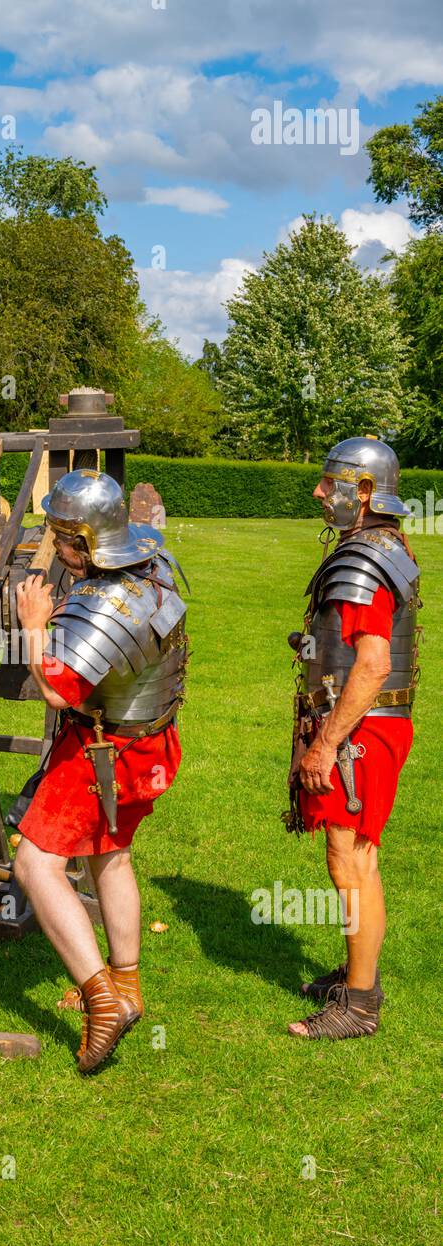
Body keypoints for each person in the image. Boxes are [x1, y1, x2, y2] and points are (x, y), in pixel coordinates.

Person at [13, 469, 188, 1074]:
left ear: (89, 541)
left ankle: (101, 998)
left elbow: (60, 691)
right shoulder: (153, 562)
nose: (58, 551)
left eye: (65, 540)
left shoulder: (107, 599)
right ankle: (130, 984)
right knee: (110, 854)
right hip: (151, 744)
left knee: (35, 865)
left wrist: (35, 627)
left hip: (101, 755)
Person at [285, 437, 420, 1040]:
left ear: (364, 492)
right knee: (355, 858)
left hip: (361, 731)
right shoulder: (384, 546)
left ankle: (359, 1003)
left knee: (352, 859)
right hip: (371, 725)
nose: (319, 492)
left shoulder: (366, 557)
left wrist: (325, 743)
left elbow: (371, 664)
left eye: (329, 482)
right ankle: (357, 971)